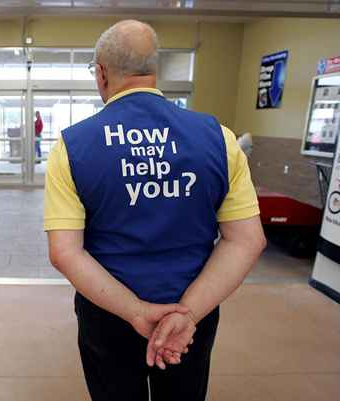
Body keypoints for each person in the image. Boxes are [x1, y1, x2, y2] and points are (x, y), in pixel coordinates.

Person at [44, 20, 266, 401]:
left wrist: (135, 310)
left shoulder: (72, 146)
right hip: (190, 316)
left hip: (109, 315)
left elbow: (65, 251)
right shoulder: (219, 139)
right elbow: (246, 240)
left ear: (101, 73)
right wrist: (187, 314)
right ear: (154, 70)